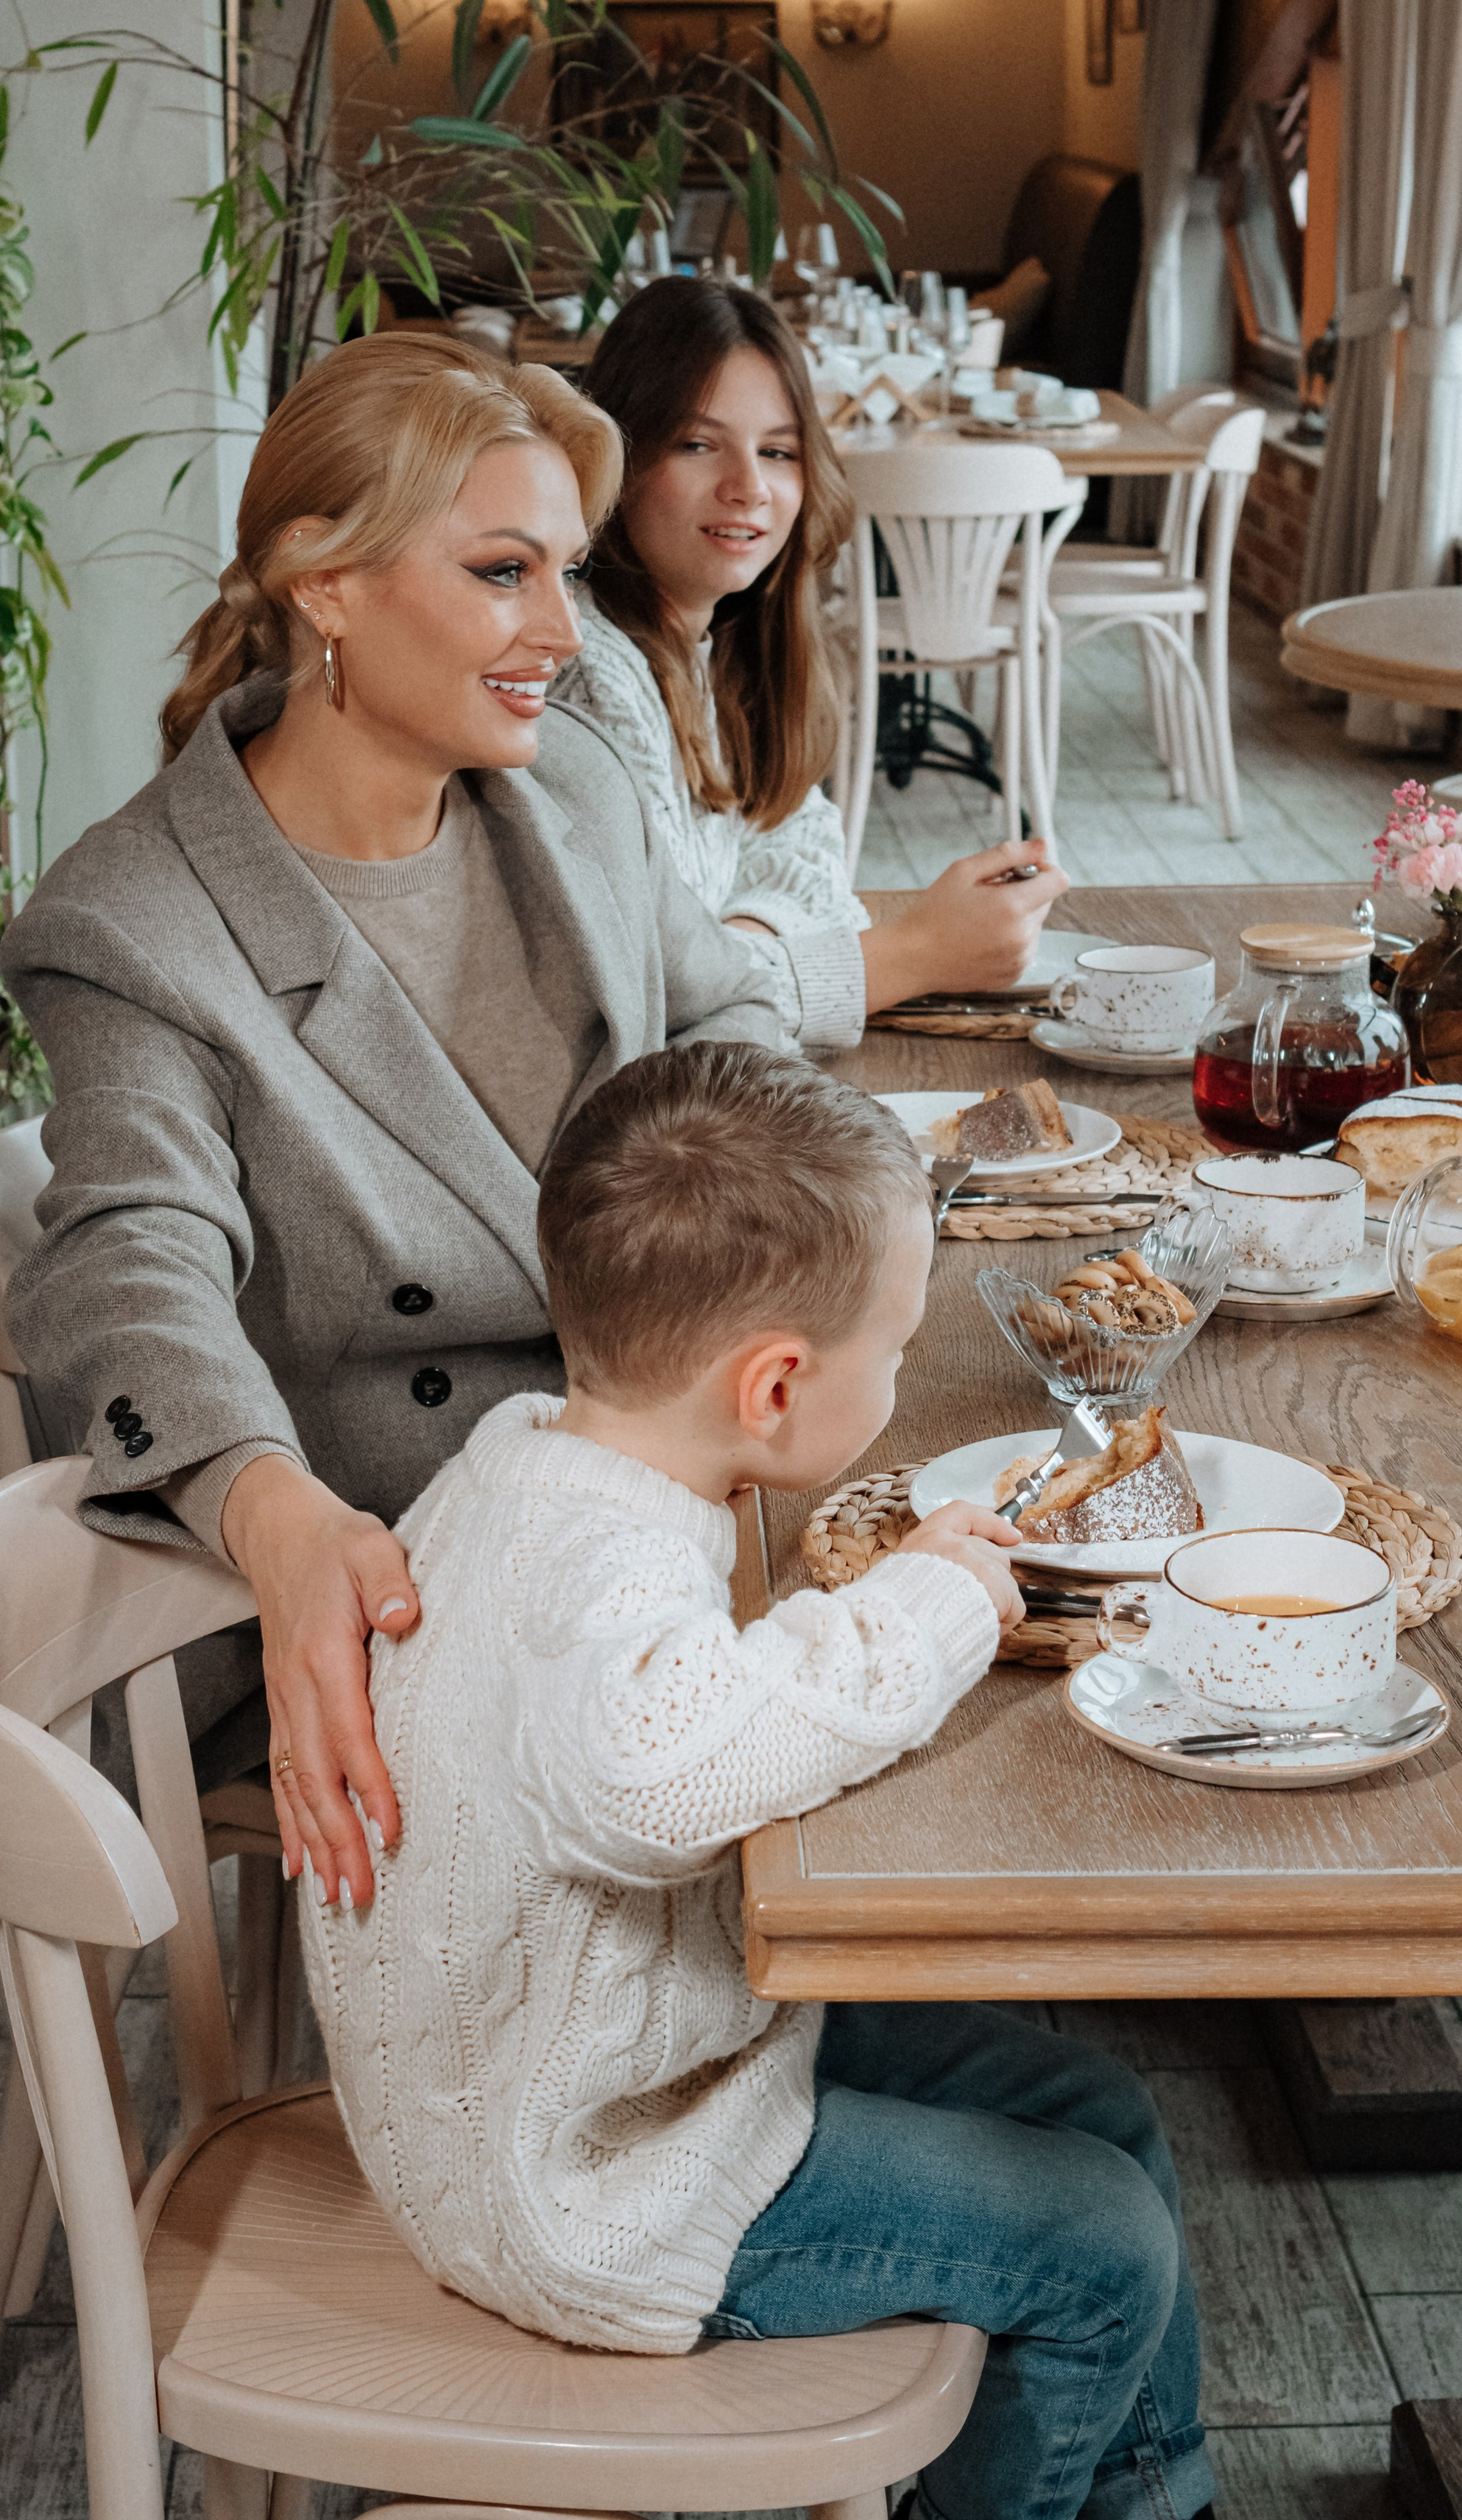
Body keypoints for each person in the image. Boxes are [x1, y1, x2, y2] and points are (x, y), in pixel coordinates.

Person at [299, 1043, 1213, 2520]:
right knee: (1101, 2246)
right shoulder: (598, 1572)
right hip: (586, 2184)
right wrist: (923, 1608)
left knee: (1100, 2111)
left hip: (615, 2063)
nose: (902, 1374)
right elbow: (655, 1776)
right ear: (773, 1386)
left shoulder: (533, 1457)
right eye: (896, 1351)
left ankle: (1152, 2499)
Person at [0, 333, 788, 1910]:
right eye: (504, 571)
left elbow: (727, 1022)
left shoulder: (571, 789)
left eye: (566, 570)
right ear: (324, 582)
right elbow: (127, 1261)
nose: (562, 632)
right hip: (401, 1584)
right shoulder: (135, 921)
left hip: (662, 1498)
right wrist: (272, 1511)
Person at [554, 275, 1070, 1048]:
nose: (749, 488)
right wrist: (916, 952)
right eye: (697, 445)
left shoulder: (718, 650)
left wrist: (738, 949)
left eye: (777, 451)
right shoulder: (589, 679)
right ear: (616, 459)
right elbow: (652, 1017)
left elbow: (804, 849)